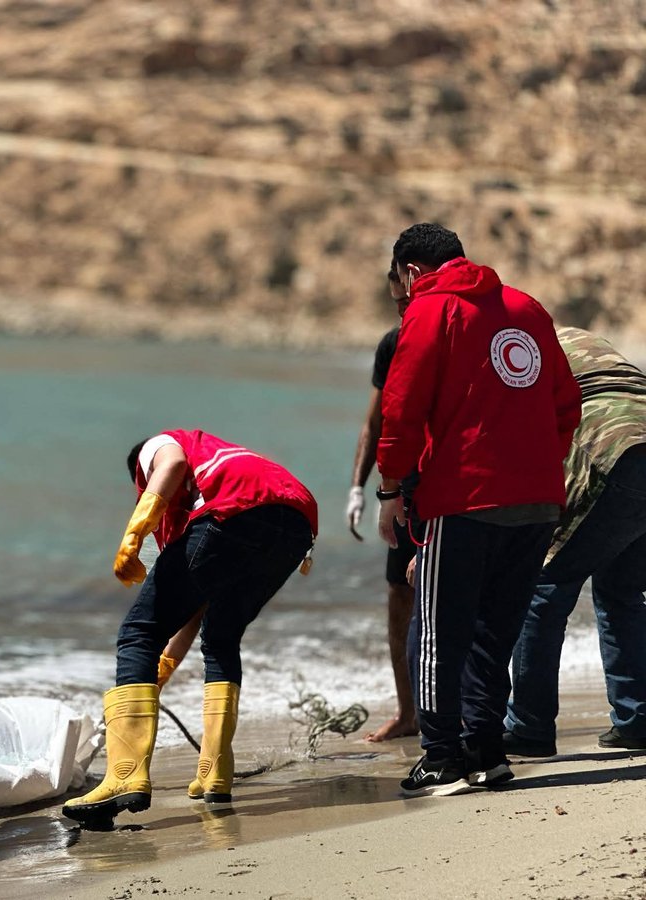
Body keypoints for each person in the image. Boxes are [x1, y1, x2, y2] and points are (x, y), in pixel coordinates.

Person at [375, 223, 580, 797]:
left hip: (464, 498)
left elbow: (402, 407)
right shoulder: (528, 308)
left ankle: (441, 755)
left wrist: (390, 493)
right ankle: (487, 749)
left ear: (411, 273)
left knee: (441, 628)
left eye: (398, 285)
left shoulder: (431, 309)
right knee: (497, 631)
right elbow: (567, 404)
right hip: (538, 502)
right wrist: (537, 466)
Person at [61, 429, 317, 827]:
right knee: (220, 637)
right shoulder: (207, 481)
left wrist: (135, 531)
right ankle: (215, 773)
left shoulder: (158, 446)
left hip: (236, 508)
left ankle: (124, 778)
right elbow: (192, 607)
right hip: (295, 522)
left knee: (136, 633)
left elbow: (173, 463)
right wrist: (163, 667)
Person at [504, 327, 646, 756]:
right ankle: (636, 720)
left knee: (542, 589)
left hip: (611, 448)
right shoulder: (574, 339)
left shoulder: (515, 351)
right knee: (622, 590)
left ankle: (528, 726)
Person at [346, 268, 419, 742]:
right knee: (400, 599)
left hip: (449, 489)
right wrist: (357, 488)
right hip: (404, 489)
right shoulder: (392, 344)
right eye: (394, 302)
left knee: (457, 597)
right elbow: (375, 423)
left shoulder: (455, 334)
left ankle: (474, 710)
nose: (399, 310)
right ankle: (408, 711)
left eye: (403, 299)